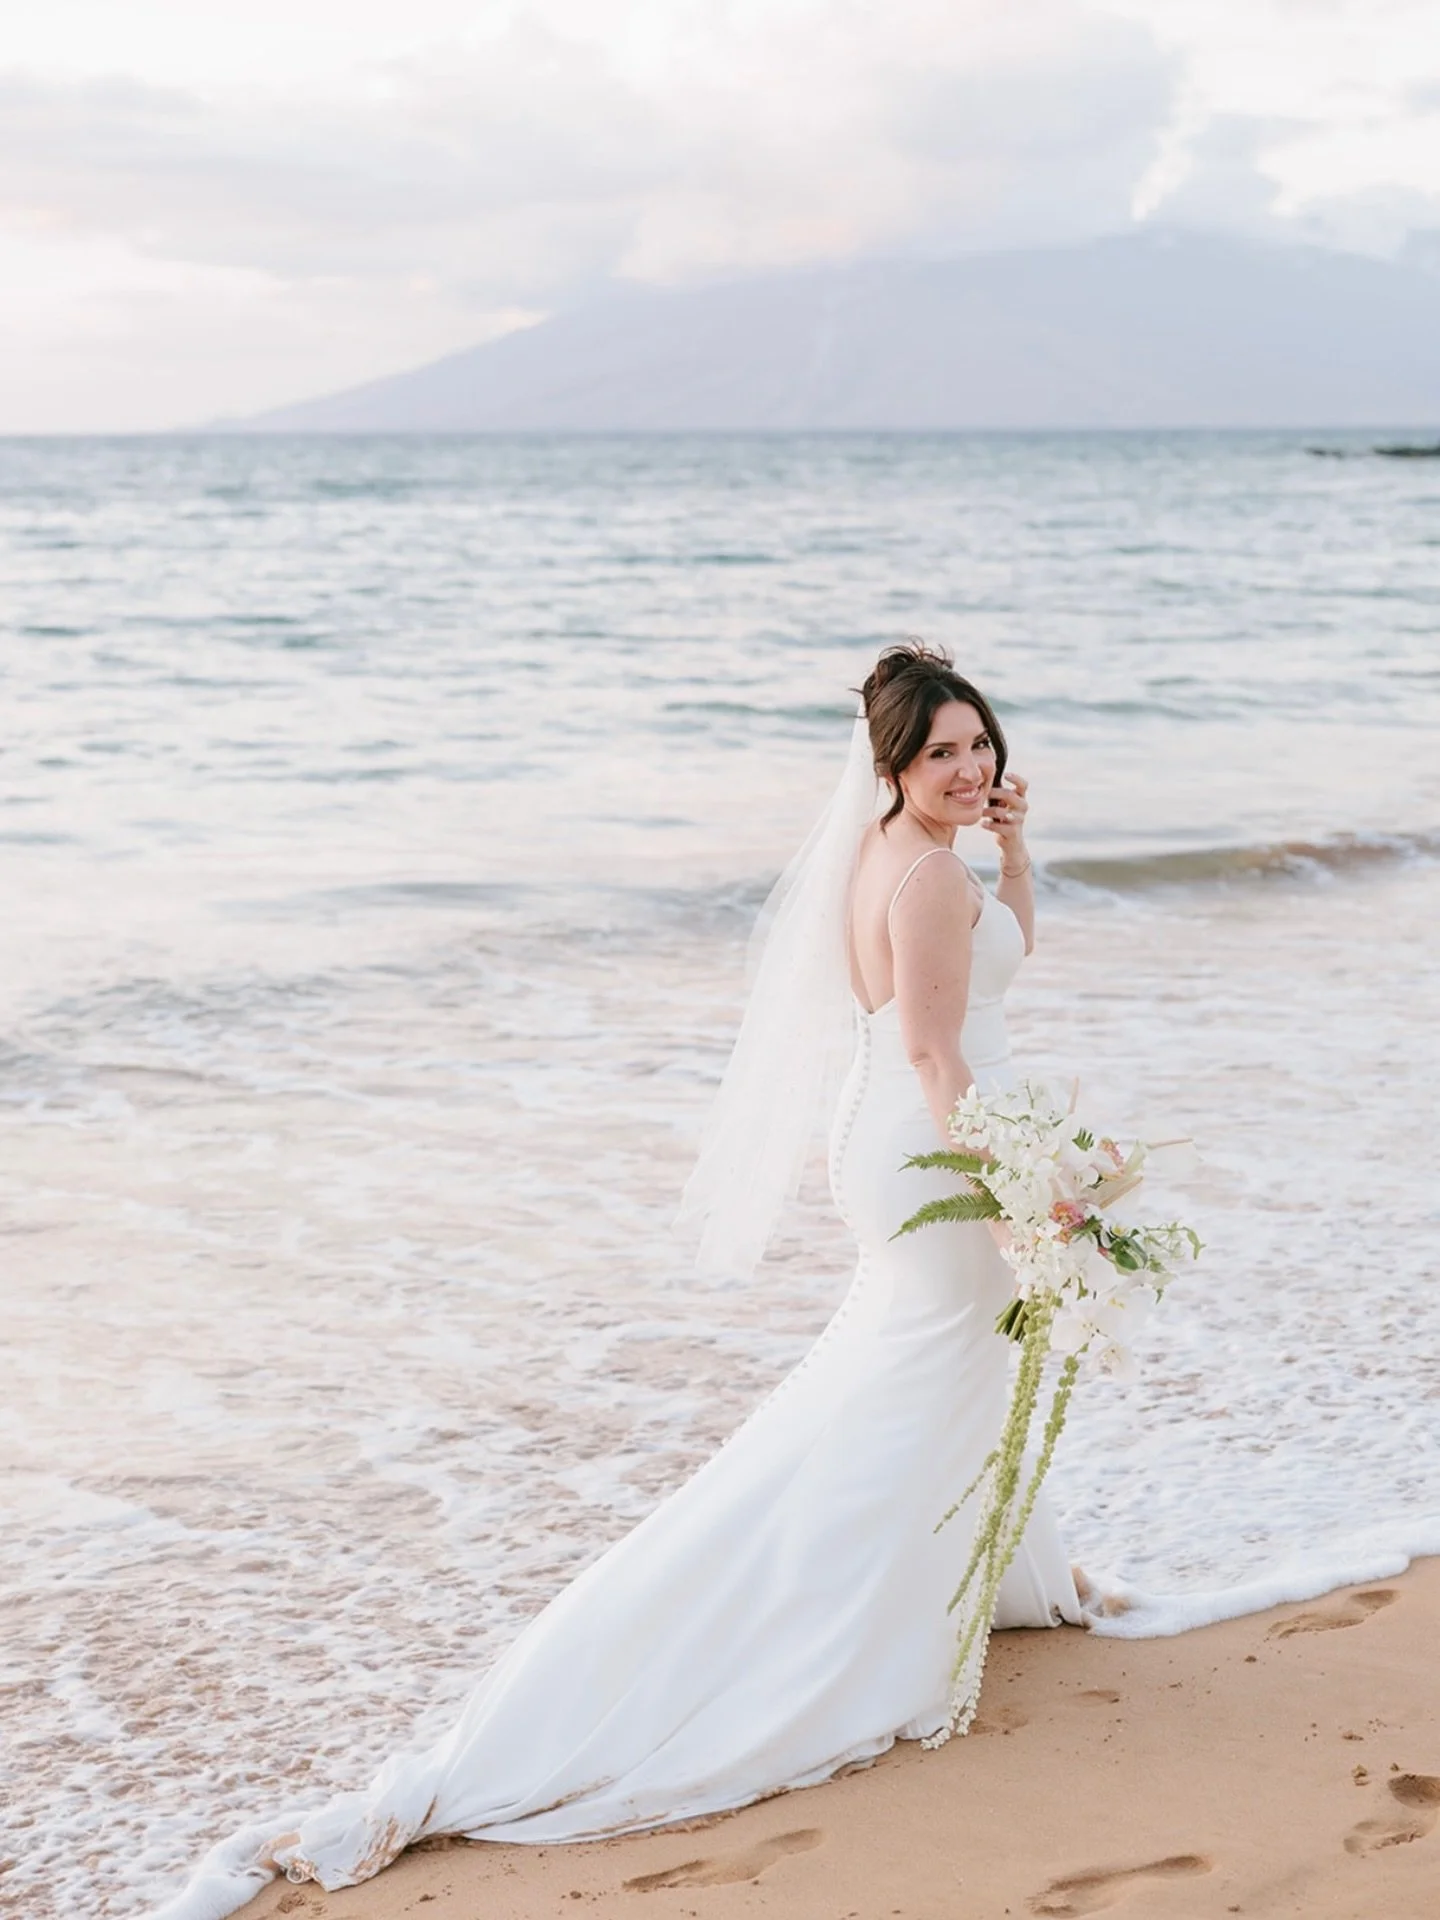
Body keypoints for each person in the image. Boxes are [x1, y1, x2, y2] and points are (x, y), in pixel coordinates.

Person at [148, 641, 1086, 1920]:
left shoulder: (904, 854)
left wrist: (1016, 857)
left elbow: (992, 975)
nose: (972, 769)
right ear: (892, 765)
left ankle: (958, 1587)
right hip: (933, 1144)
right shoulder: (925, 876)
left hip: (892, 1139)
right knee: (919, 1378)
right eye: (943, 754)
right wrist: (1035, 1184)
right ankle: (840, 1620)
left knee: (934, 1367)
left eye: (982, 745)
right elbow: (937, 1052)